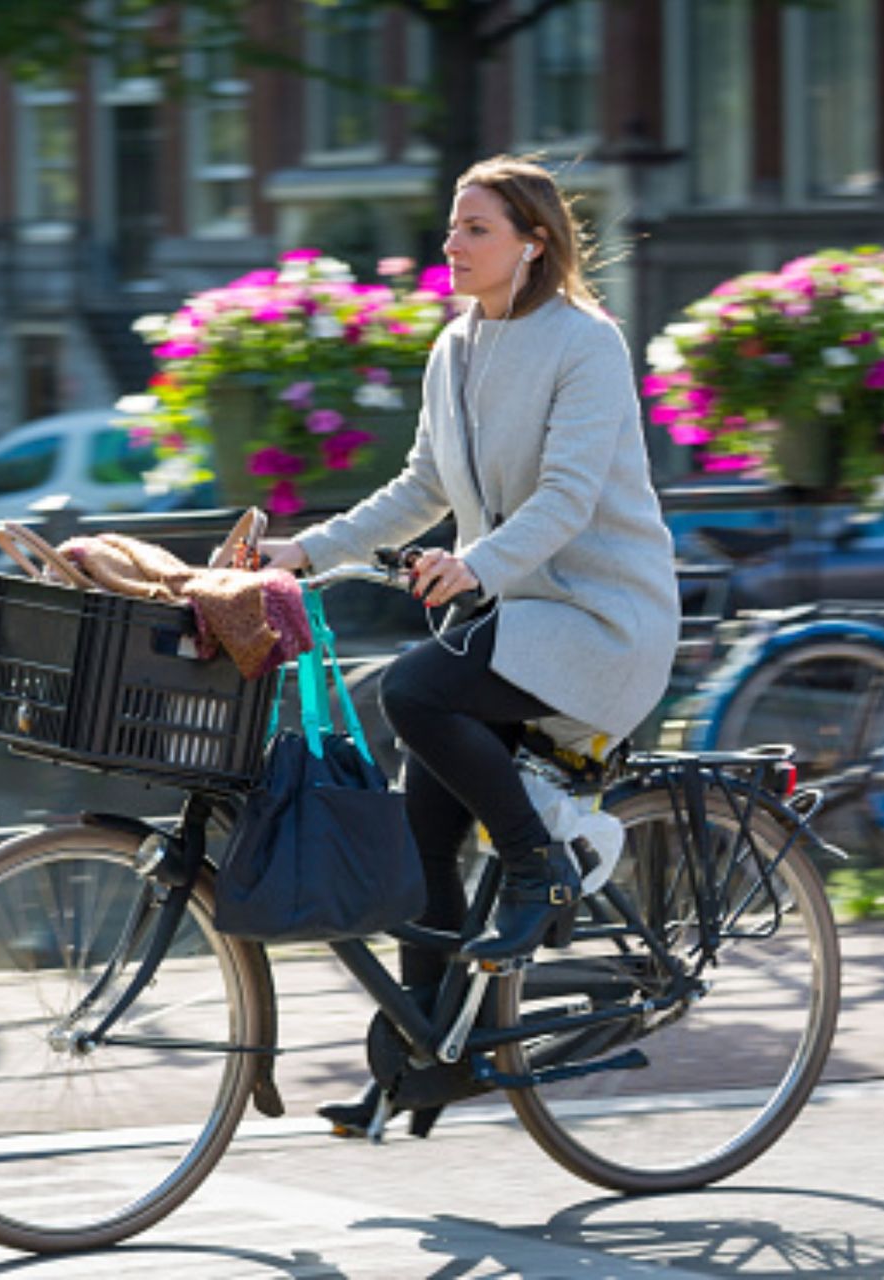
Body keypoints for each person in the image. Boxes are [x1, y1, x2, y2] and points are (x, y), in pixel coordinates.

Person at [257, 154, 680, 1135]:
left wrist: (478, 565)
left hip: (601, 621)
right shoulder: (453, 348)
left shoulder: (586, 343)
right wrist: (304, 550)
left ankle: (537, 865)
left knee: (412, 690)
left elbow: (570, 495)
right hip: (515, 619)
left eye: (476, 227)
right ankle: (424, 1060)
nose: (452, 243)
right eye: (451, 225)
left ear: (533, 243)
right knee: (421, 841)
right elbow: (419, 489)